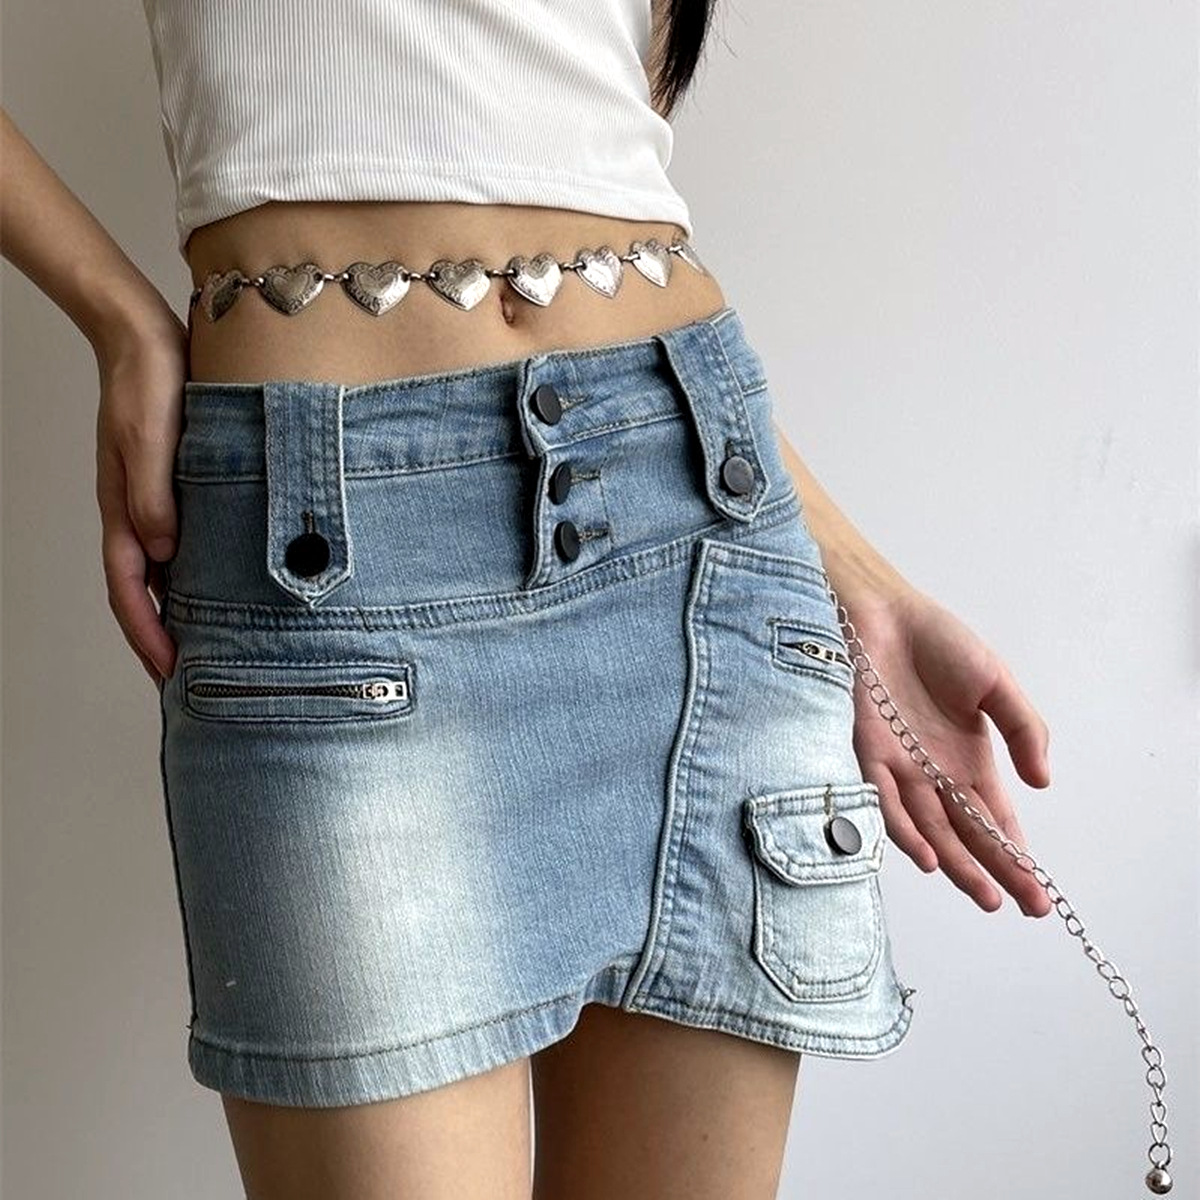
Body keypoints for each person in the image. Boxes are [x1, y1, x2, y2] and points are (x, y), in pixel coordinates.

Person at [0, 2, 1054, 1197]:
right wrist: (118, 317)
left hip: (697, 531)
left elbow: (587, 168)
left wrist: (859, 584)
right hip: (334, 557)